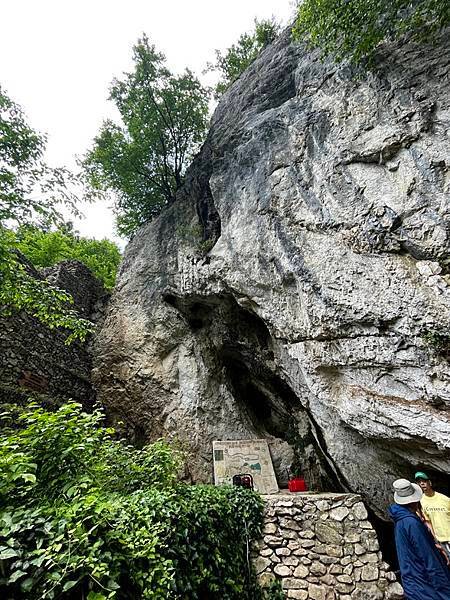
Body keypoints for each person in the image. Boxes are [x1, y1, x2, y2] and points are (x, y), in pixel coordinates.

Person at [388, 478, 450, 600]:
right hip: (425, 584)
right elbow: (428, 559)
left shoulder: (400, 519)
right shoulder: (411, 522)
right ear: (414, 501)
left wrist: (433, 545)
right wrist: (445, 587)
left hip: (412, 582)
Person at [415, 470, 450, 561]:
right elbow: (428, 522)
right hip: (441, 539)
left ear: (429, 482)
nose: (422, 484)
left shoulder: (445, 499)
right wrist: (436, 540)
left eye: (424, 481)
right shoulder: (421, 502)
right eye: (419, 482)